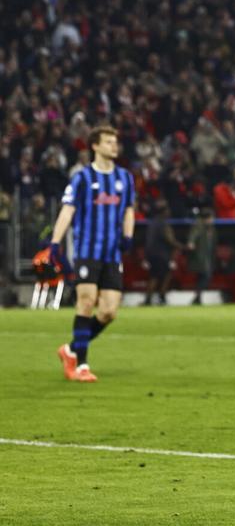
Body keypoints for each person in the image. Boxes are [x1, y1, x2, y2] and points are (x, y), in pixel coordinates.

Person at [50, 124, 137, 383]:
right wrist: (55, 243)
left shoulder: (125, 178)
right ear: (95, 146)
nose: (114, 146)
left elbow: (129, 209)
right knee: (86, 302)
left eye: (115, 141)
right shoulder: (82, 178)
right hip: (87, 250)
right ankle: (81, 365)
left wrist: (128, 236)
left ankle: (70, 350)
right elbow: (68, 210)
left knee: (109, 311)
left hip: (112, 253)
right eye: (108, 141)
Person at [144, 200, 183, 305]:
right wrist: (181, 246)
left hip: (152, 253)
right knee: (164, 276)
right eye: (167, 210)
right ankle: (161, 297)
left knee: (154, 276)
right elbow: (170, 240)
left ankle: (149, 299)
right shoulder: (163, 224)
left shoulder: (152, 223)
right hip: (161, 254)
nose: (169, 212)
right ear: (164, 212)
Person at [186, 207, 216, 304]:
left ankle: (198, 297)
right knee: (206, 275)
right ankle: (197, 297)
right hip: (200, 256)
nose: (212, 220)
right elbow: (193, 235)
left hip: (207, 256)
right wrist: (191, 242)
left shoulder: (210, 228)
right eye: (211, 218)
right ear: (206, 218)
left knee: (204, 276)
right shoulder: (198, 225)